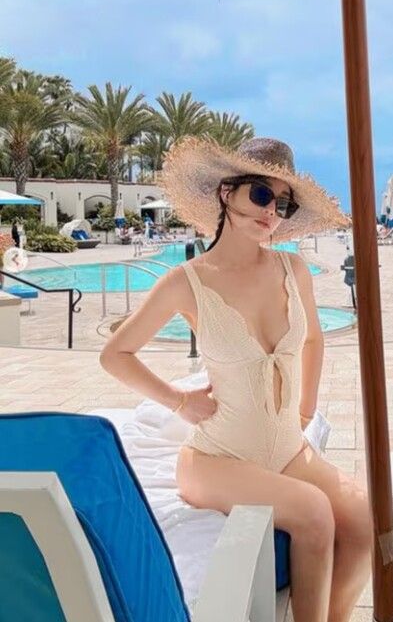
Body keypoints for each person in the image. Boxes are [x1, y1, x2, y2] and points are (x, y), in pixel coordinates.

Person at [99, 137, 370, 622]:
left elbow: (313, 339)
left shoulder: (294, 269)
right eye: (262, 194)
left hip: (287, 450)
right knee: (313, 513)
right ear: (227, 192)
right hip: (215, 460)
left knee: (364, 520)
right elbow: (115, 354)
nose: (271, 212)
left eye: (283, 203)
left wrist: (305, 410)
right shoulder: (187, 281)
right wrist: (178, 402)